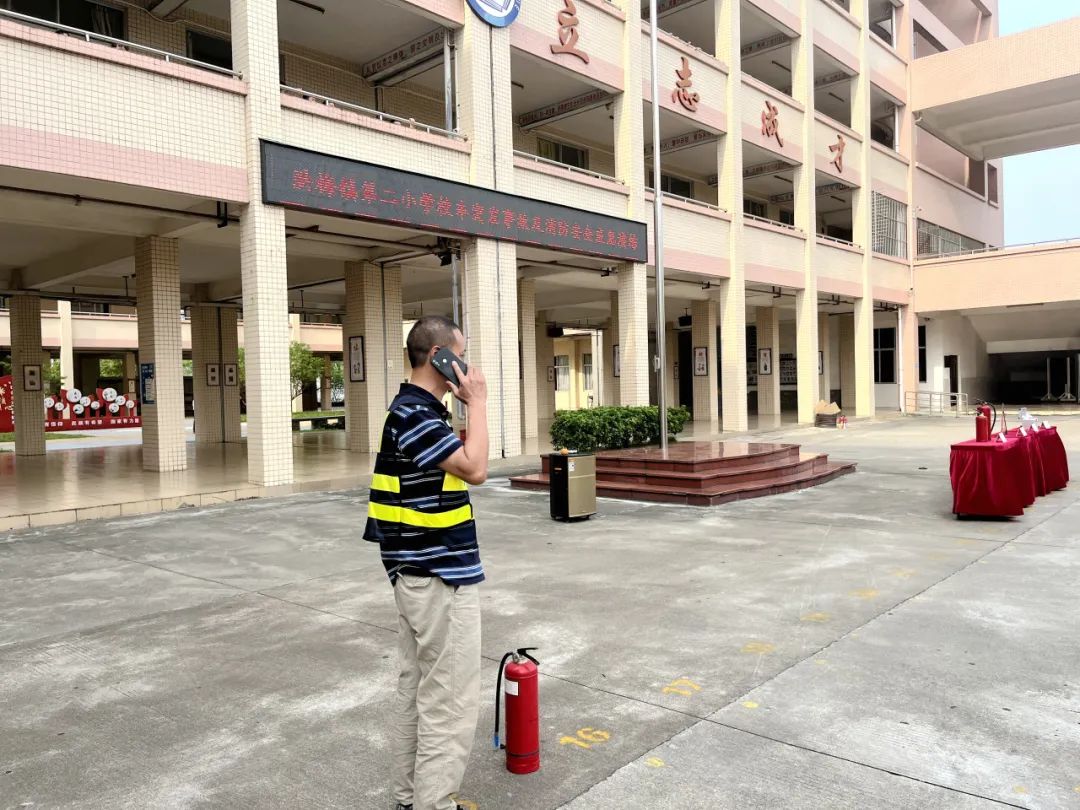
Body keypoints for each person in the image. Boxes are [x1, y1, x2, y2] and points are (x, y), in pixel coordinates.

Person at [364, 315, 489, 810]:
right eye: (463, 352)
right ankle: (433, 803)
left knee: (420, 694)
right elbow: (476, 468)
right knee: (449, 702)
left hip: (418, 576)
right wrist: (477, 403)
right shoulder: (415, 413)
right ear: (442, 356)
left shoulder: (417, 412)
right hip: (439, 578)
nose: (469, 364)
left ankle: (410, 798)